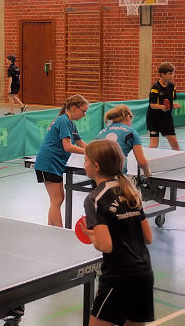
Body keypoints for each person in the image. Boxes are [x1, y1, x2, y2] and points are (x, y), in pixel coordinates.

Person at [81, 139, 154, 326]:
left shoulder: (94, 198)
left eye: (85, 160)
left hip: (119, 277)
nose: (84, 164)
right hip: (144, 274)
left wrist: (92, 236)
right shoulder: (130, 191)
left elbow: (105, 245)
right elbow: (148, 237)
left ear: (96, 166)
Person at [34, 94, 89, 227]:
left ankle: (52, 229)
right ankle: (59, 231)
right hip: (48, 163)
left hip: (55, 164)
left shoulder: (70, 123)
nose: (84, 115)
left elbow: (81, 143)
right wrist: (89, 153)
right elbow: (67, 146)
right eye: (84, 111)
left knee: (58, 199)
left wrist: (97, 150)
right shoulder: (63, 121)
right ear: (74, 108)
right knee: (56, 200)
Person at [97, 105, 151, 177]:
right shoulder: (131, 133)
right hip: (118, 171)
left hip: (98, 171)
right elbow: (142, 162)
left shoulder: (101, 132)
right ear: (128, 117)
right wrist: (147, 173)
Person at [147, 62, 181, 150]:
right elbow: (152, 105)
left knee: (175, 145)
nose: (172, 75)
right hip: (154, 119)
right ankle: (146, 158)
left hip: (166, 119)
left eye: (173, 73)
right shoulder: (155, 88)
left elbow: (170, 101)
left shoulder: (172, 86)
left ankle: (179, 159)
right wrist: (162, 107)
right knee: (154, 145)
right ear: (162, 74)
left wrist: (174, 105)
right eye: (170, 73)